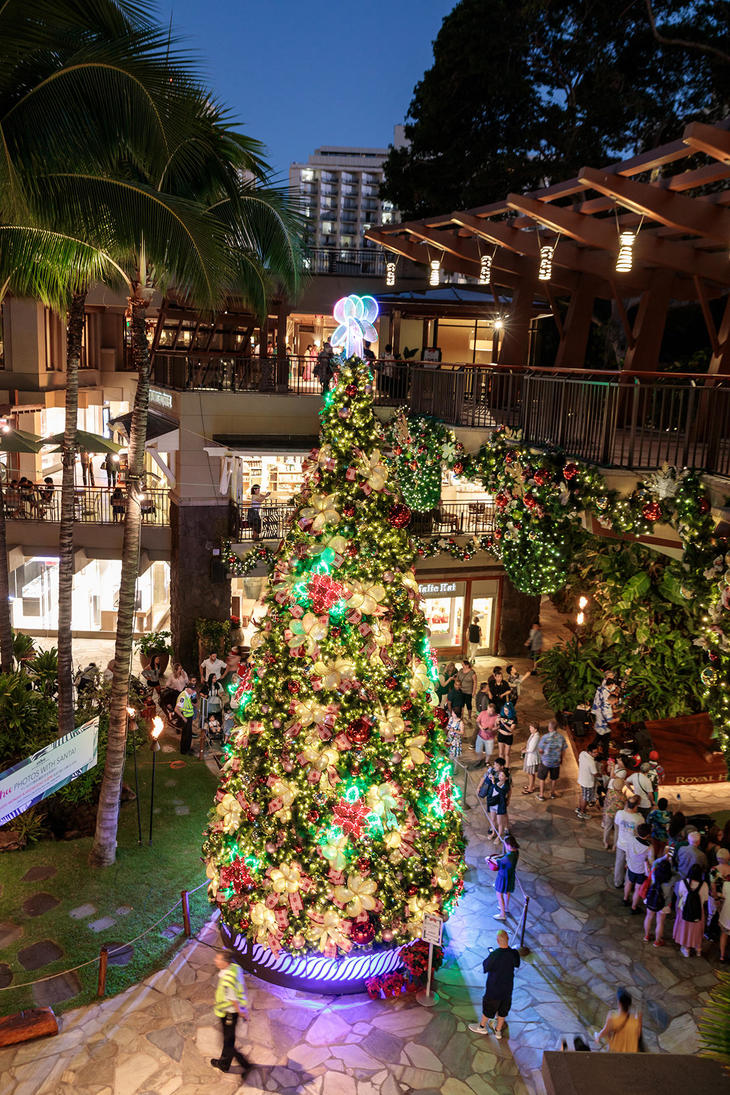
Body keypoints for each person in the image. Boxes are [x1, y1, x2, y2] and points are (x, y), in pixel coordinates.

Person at [468, 930, 521, 1040]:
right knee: (503, 1010)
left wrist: (491, 956)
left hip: (494, 988)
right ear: (508, 939)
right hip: (507, 989)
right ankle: (498, 1030)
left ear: (497, 941)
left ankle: (482, 1027)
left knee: (489, 1008)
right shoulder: (514, 953)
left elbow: (486, 967)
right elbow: (517, 964)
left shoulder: (494, 955)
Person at [211, 950, 250, 1074]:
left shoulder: (227, 980)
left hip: (228, 1013)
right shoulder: (235, 968)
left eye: (218, 959)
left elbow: (233, 999)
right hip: (232, 1012)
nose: (215, 960)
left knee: (228, 1040)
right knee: (229, 1038)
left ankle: (226, 1064)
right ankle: (239, 1063)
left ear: (226, 962)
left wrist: (241, 1012)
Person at [673, 863, 709, 957]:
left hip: (685, 910)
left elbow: (680, 894)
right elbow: (706, 899)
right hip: (698, 911)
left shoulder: (683, 882)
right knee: (697, 931)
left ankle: (686, 949)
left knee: (686, 930)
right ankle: (698, 949)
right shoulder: (704, 885)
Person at [594, 988, 642, 1052]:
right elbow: (638, 1035)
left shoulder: (613, 1019)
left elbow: (604, 1032)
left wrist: (597, 1036)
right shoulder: (636, 1021)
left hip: (617, 1054)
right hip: (632, 1055)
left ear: (619, 1003)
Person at [643, 854, 673, 947]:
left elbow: (655, 863)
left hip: (652, 898)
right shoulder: (671, 880)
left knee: (648, 917)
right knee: (660, 922)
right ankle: (657, 941)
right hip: (664, 903)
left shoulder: (654, 874)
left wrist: (664, 857)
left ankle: (646, 936)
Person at [613, 795, 642, 889]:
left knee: (619, 863)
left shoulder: (619, 813)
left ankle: (617, 882)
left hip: (621, 844)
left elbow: (617, 827)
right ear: (636, 806)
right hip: (632, 847)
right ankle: (627, 884)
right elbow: (639, 833)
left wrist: (615, 842)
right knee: (630, 866)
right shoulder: (639, 818)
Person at [624, 822, 652, 913]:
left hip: (631, 866)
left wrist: (627, 861)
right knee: (637, 889)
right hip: (641, 871)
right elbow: (651, 861)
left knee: (628, 883)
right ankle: (634, 907)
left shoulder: (631, 839)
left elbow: (627, 851)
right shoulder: (649, 847)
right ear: (648, 834)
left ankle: (625, 899)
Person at [490, 835, 520, 920]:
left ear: (509, 845)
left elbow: (497, 862)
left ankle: (502, 914)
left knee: (499, 894)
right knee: (507, 891)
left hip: (503, 877)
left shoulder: (508, 857)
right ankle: (506, 907)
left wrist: (488, 859)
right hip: (510, 875)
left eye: (506, 845)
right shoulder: (516, 852)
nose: (505, 846)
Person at [536, 720, 567, 801]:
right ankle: (552, 793)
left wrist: (542, 755)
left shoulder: (545, 737)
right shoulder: (561, 737)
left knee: (542, 778)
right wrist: (561, 759)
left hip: (545, 762)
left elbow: (540, 750)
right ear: (556, 728)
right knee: (554, 778)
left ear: (549, 728)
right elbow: (563, 750)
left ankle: (541, 795)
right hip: (556, 762)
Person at [575, 742, 601, 820]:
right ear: (589, 752)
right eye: (594, 752)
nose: (596, 754)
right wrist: (601, 774)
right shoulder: (591, 762)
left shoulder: (582, 754)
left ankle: (579, 808)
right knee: (586, 798)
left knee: (583, 795)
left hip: (581, 779)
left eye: (597, 752)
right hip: (588, 782)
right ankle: (582, 813)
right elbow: (595, 774)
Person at [602, 774, 626, 850]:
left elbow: (606, 803)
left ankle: (606, 842)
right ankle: (615, 845)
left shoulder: (610, 793)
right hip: (618, 816)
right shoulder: (623, 797)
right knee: (617, 830)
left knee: (607, 828)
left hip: (609, 813)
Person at [175, 682, 197, 755]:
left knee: (189, 734)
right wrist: (183, 718)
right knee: (185, 734)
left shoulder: (188, 694)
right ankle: (184, 751)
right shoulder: (183, 697)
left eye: (193, 689)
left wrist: (193, 705)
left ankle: (188, 748)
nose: (193, 691)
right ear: (187, 688)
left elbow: (188, 702)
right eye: (192, 689)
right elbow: (176, 709)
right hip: (185, 717)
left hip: (189, 717)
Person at [456, 659, 478, 725]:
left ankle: (469, 717)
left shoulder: (472, 673)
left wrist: (474, 691)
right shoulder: (460, 671)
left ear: (467, 665)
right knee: (461, 704)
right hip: (461, 691)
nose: (462, 665)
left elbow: (475, 682)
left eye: (463, 664)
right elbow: (457, 678)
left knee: (468, 704)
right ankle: (462, 716)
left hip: (468, 691)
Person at [521, 723, 540, 794]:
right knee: (530, 773)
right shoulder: (532, 734)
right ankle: (531, 785)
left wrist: (525, 751)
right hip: (529, 756)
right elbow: (529, 744)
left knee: (530, 773)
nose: (530, 729)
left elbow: (532, 749)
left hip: (532, 757)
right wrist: (525, 747)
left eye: (531, 728)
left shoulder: (536, 737)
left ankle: (530, 789)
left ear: (535, 729)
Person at [496, 701, 516, 767]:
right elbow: (497, 726)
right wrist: (497, 720)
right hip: (501, 735)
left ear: (510, 710)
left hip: (508, 737)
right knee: (501, 753)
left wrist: (504, 724)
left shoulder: (514, 718)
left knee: (507, 754)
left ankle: (507, 767)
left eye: (507, 710)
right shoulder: (502, 715)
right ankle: (501, 766)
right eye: (504, 710)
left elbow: (511, 730)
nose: (505, 712)